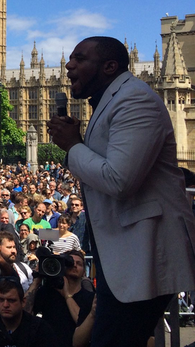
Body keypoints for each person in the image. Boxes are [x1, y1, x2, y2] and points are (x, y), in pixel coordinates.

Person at [47, 36, 195, 347]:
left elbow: (119, 180)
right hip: (124, 258)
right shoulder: (114, 100)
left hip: (142, 253)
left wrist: (73, 146)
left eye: (79, 58)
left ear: (109, 66)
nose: (68, 65)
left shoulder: (134, 100)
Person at [25, 250, 94, 347]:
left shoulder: (89, 297)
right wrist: (36, 281)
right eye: (70, 263)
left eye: (79, 264)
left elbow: (82, 322)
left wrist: (67, 296)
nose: (74, 265)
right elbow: (24, 314)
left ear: (84, 272)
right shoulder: (47, 293)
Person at [0, 277, 57, 347]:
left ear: (23, 302)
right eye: (1, 300)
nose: (5, 305)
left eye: (11, 300)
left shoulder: (40, 329)